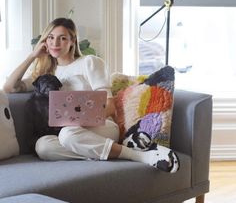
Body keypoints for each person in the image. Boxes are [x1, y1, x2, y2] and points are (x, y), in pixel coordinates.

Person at [3, 17, 179, 172]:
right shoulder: (45, 73)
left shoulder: (89, 62)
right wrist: (32, 56)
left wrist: (80, 122)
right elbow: (10, 87)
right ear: (45, 42)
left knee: (67, 134)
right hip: (73, 136)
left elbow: (109, 106)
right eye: (51, 38)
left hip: (101, 127)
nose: (55, 43)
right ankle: (99, 152)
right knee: (42, 147)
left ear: (72, 41)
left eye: (62, 38)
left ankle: (136, 156)